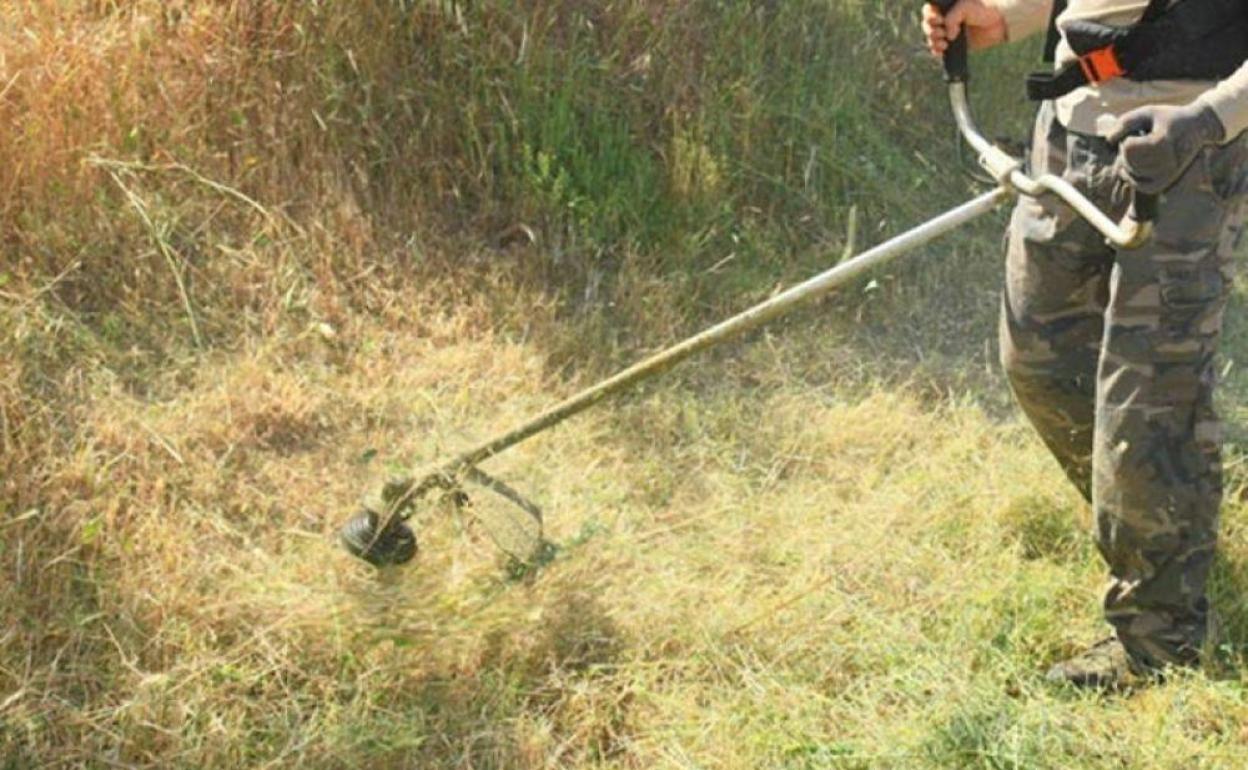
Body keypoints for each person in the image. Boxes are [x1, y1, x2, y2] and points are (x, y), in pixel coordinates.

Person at [921, 0, 1248, 689]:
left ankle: (1162, 643)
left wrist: (1209, 119)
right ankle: (1160, 533)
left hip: (1195, 145)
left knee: (1147, 402)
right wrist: (1001, 16)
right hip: (1072, 128)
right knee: (1039, 361)